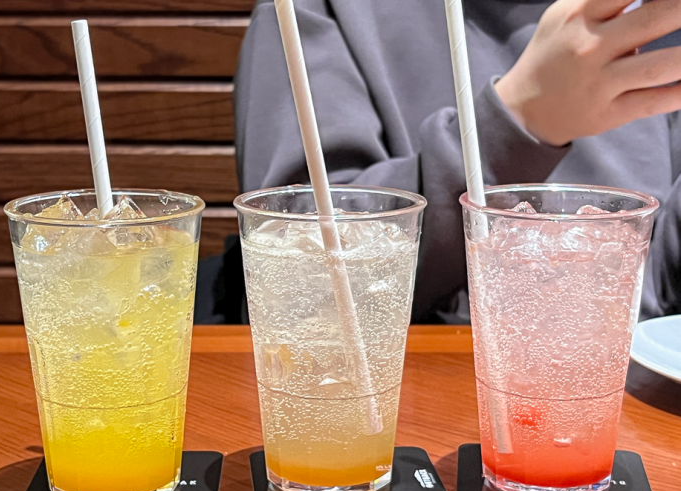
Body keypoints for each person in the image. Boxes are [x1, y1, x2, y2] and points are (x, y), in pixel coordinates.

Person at [232, 0, 681, 323]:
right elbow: (299, 283)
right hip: (411, 391)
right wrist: (519, 119)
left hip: (635, 381)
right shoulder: (310, 10)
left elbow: (661, 279)